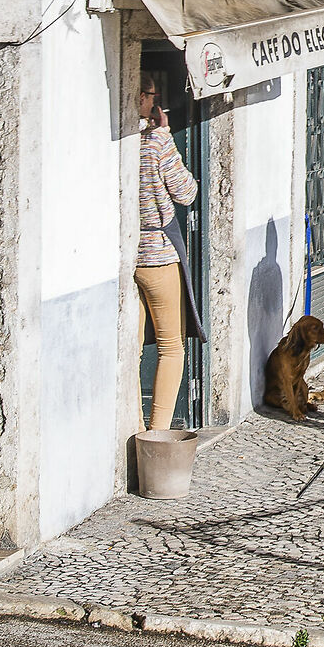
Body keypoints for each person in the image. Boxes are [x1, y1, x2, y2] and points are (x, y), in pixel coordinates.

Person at [136, 71, 206, 433]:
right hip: (158, 256)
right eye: (152, 94)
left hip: (127, 256)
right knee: (171, 347)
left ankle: (132, 423)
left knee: (131, 351)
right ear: (145, 99)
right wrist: (165, 136)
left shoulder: (120, 140)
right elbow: (186, 192)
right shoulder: (155, 144)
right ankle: (157, 432)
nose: (155, 100)